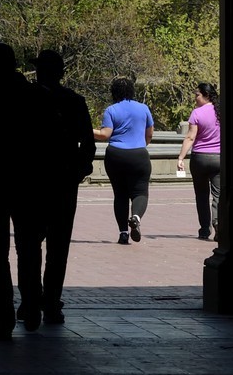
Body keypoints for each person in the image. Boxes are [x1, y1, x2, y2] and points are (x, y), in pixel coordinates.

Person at [0, 43, 59, 340]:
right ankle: (31, 307)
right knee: (29, 250)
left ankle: (3, 317)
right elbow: (50, 147)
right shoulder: (38, 96)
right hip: (30, 185)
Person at [34, 50, 95, 324]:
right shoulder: (74, 101)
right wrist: (78, 171)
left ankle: (32, 299)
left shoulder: (27, 100)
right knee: (58, 248)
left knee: (30, 244)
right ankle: (51, 301)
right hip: (64, 182)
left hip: (33, 182)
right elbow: (89, 144)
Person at [95, 76, 156, 246]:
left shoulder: (111, 110)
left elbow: (105, 135)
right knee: (140, 192)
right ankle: (135, 217)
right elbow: (150, 134)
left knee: (120, 194)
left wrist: (86, 129)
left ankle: (123, 233)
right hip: (139, 155)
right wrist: (141, 146)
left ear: (114, 92)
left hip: (115, 155)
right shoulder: (143, 108)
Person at [177, 81, 222, 240]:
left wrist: (181, 157)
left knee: (201, 195)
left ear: (206, 95)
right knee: (218, 195)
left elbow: (190, 137)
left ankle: (204, 229)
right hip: (218, 158)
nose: (195, 98)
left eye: (197, 95)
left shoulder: (197, 113)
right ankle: (218, 221)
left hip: (200, 158)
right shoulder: (220, 111)